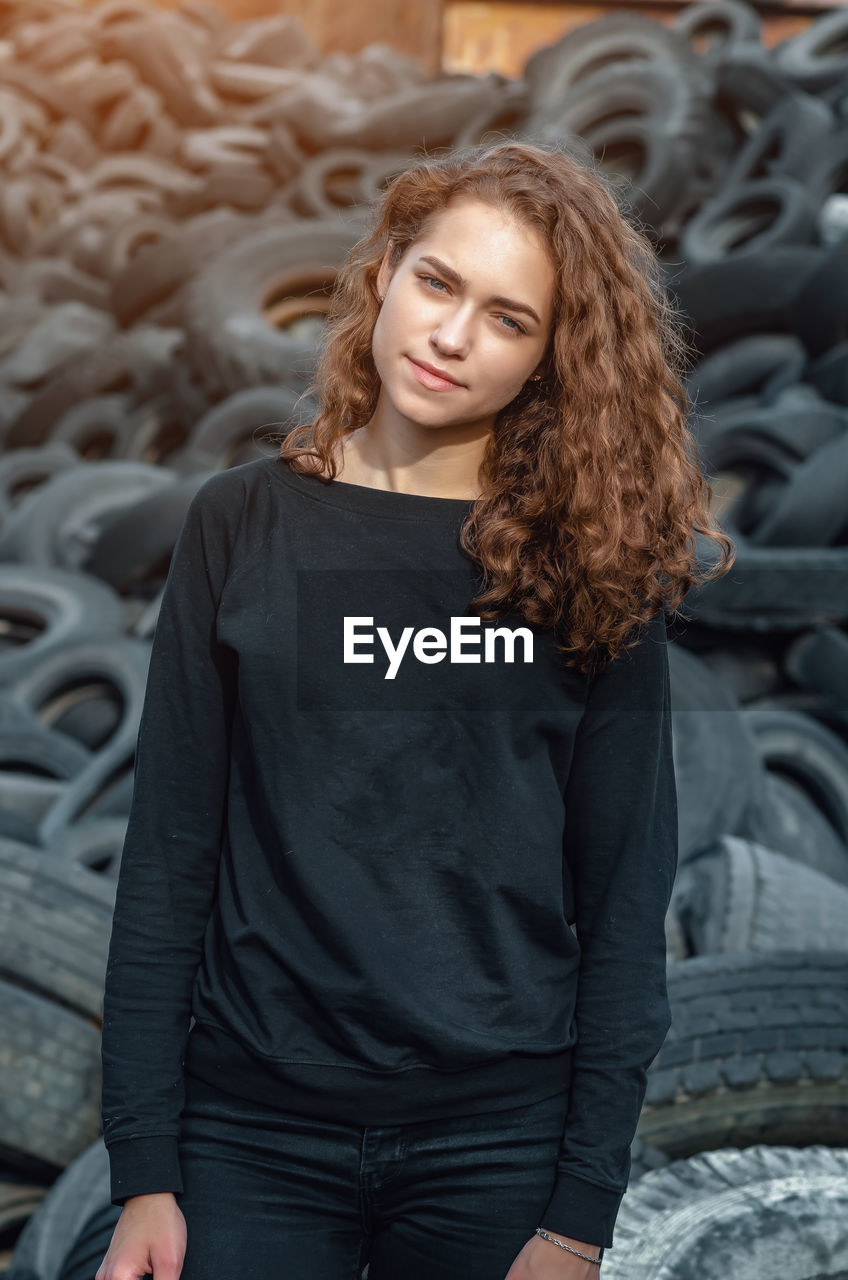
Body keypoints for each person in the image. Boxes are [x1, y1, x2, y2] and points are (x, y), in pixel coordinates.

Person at [94, 137, 735, 1280]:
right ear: (386, 267)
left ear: (549, 359)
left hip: (497, 1146)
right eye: (438, 282)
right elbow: (167, 857)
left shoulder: (595, 563)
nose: (449, 336)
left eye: (507, 318)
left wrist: (579, 1211)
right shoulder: (240, 524)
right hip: (251, 1134)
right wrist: (144, 1167)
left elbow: (626, 899)